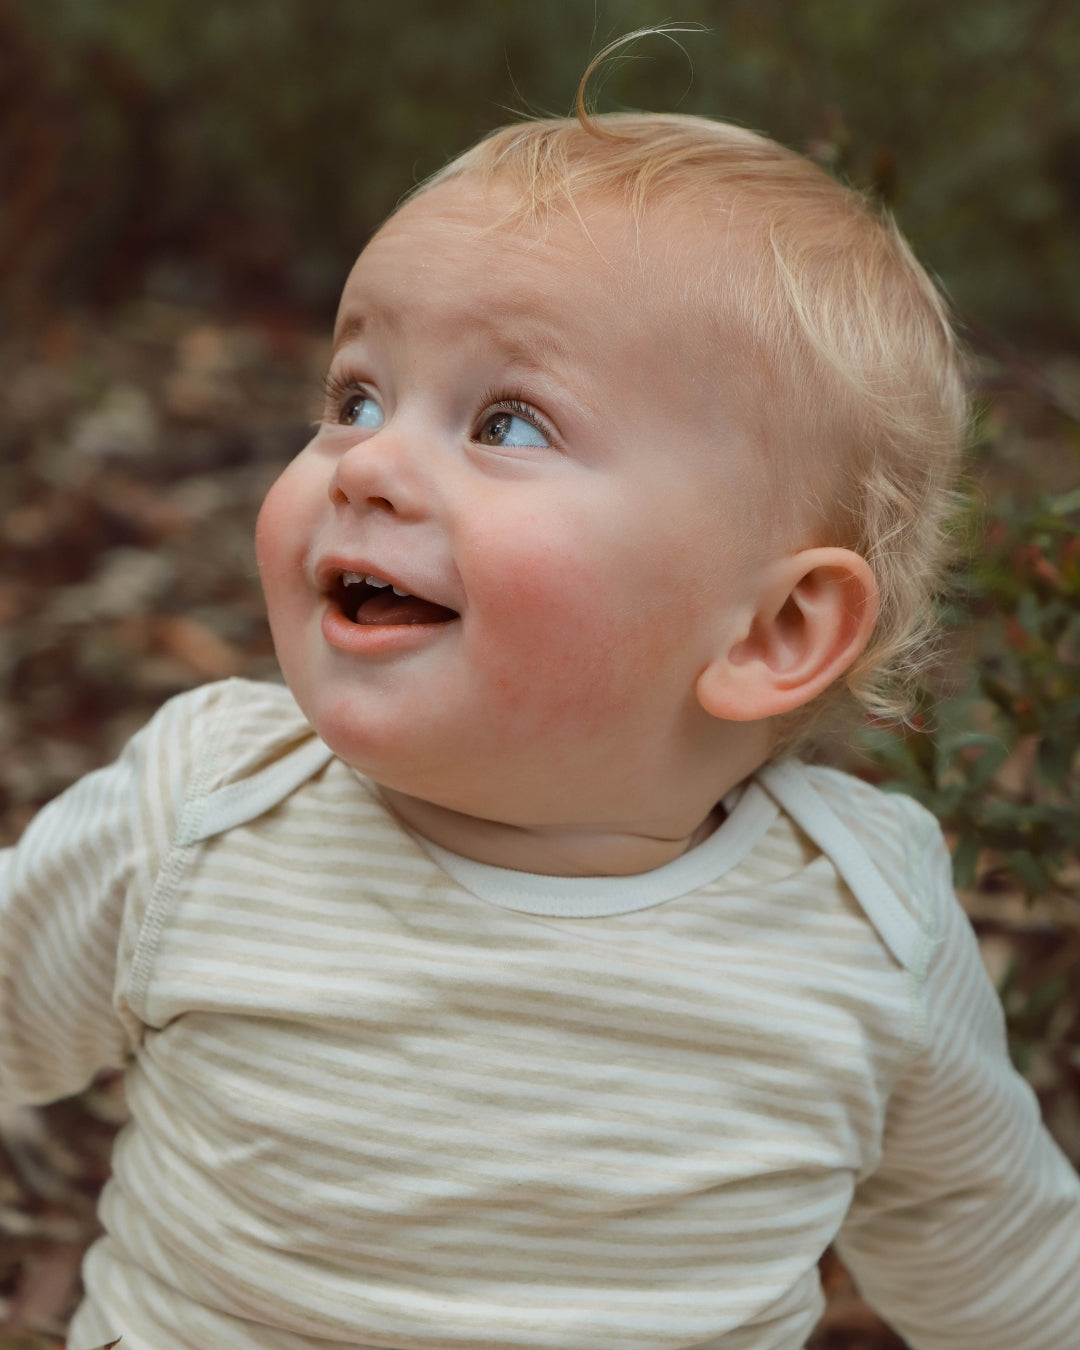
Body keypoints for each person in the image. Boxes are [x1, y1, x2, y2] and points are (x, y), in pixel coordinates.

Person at [2, 87, 1079, 1350]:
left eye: (507, 423)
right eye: (355, 396)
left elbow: (1003, 1268)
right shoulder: (206, 815)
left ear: (771, 633)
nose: (367, 463)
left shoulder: (861, 924)